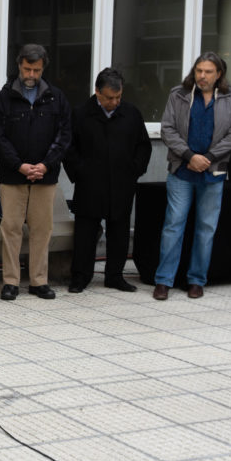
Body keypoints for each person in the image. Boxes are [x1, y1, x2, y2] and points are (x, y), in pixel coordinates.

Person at [153, 52, 231, 300]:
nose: (202, 76)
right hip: (182, 170)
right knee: (173, 226)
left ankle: (197, 280)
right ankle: (163, 281)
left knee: (206, 229)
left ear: (219, 75)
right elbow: (167, 129)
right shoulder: (179, 94)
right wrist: (189, 155)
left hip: (213, 172)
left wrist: (210, 157)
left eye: (208, 72)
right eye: (199, 71)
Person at [0, 44, 72, 301]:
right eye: (27, 68)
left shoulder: (56, 98)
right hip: (13, 176)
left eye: (36, 70)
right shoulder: (3, 99)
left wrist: (46, 164)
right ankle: (11, 282)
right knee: (11, 227)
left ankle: (38, 281)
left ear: (43, 68)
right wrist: (19, 165)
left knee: (41, 229)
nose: (31, 74)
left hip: (45, 175)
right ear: (19, 66)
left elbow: (64, 135)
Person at [64, 68, 152, 293]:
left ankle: (115, 275)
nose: (115, 102)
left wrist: (134, 171)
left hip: (122, 183)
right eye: (109, 98)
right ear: (97, 93)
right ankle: (80, 276)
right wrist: (80, 173)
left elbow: (143, 146)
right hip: (89, 184)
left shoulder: (131, 113)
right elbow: (69, 148)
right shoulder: (81, 113)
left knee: (119, 231)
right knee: (85, 233)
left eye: (118, 97)